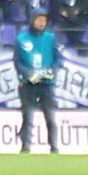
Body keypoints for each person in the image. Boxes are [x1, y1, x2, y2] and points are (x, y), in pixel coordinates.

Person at [14, 14, 61, 155]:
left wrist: (50, 71)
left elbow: (59, 60)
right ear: (32, 20)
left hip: (47, 83)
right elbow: (17, 61)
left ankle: (54, 147)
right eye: (39, 20)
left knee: (50, 117)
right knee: (27, 116)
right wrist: (28, 73)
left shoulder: (51, 38)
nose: (42, 23)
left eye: (44, 20)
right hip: (28, 84)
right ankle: (25, 147)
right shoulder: (21, 39)